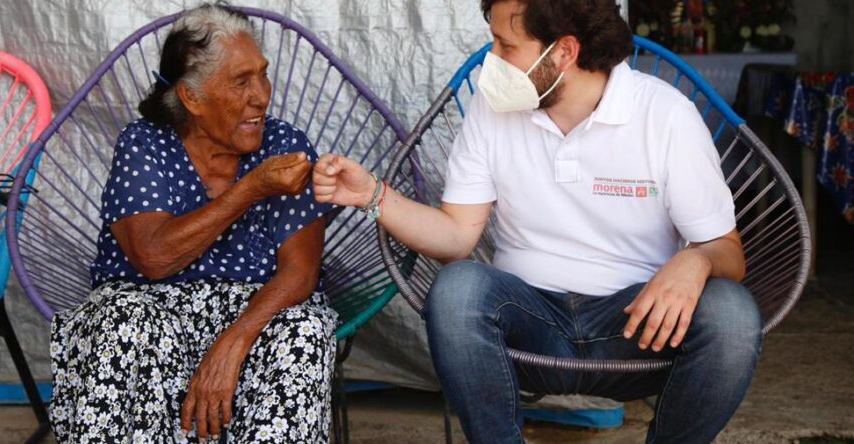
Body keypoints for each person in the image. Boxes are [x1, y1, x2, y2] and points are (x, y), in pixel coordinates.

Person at [312, 0, 762, 443]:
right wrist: (372, 196)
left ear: (564, 52)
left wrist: (698, 260)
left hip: (636, 325)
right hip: (529, 321)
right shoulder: (493, 112)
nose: (492, 60)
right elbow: (455, 236)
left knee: (732, 315)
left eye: (506, 47)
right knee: (457, 289)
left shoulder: (666, 116)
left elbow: (729, 253)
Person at [49, 4, 337, 442]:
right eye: (242, 81)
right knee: (125, 323)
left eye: (262, 74)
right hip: (148, 305)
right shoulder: (145, 144)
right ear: (192, 97)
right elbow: (154, 258)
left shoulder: (284, 145)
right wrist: (251, 188)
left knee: (306, 329)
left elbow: (301, 271)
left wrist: (233, 341)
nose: (261, 95)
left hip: (254, 312)